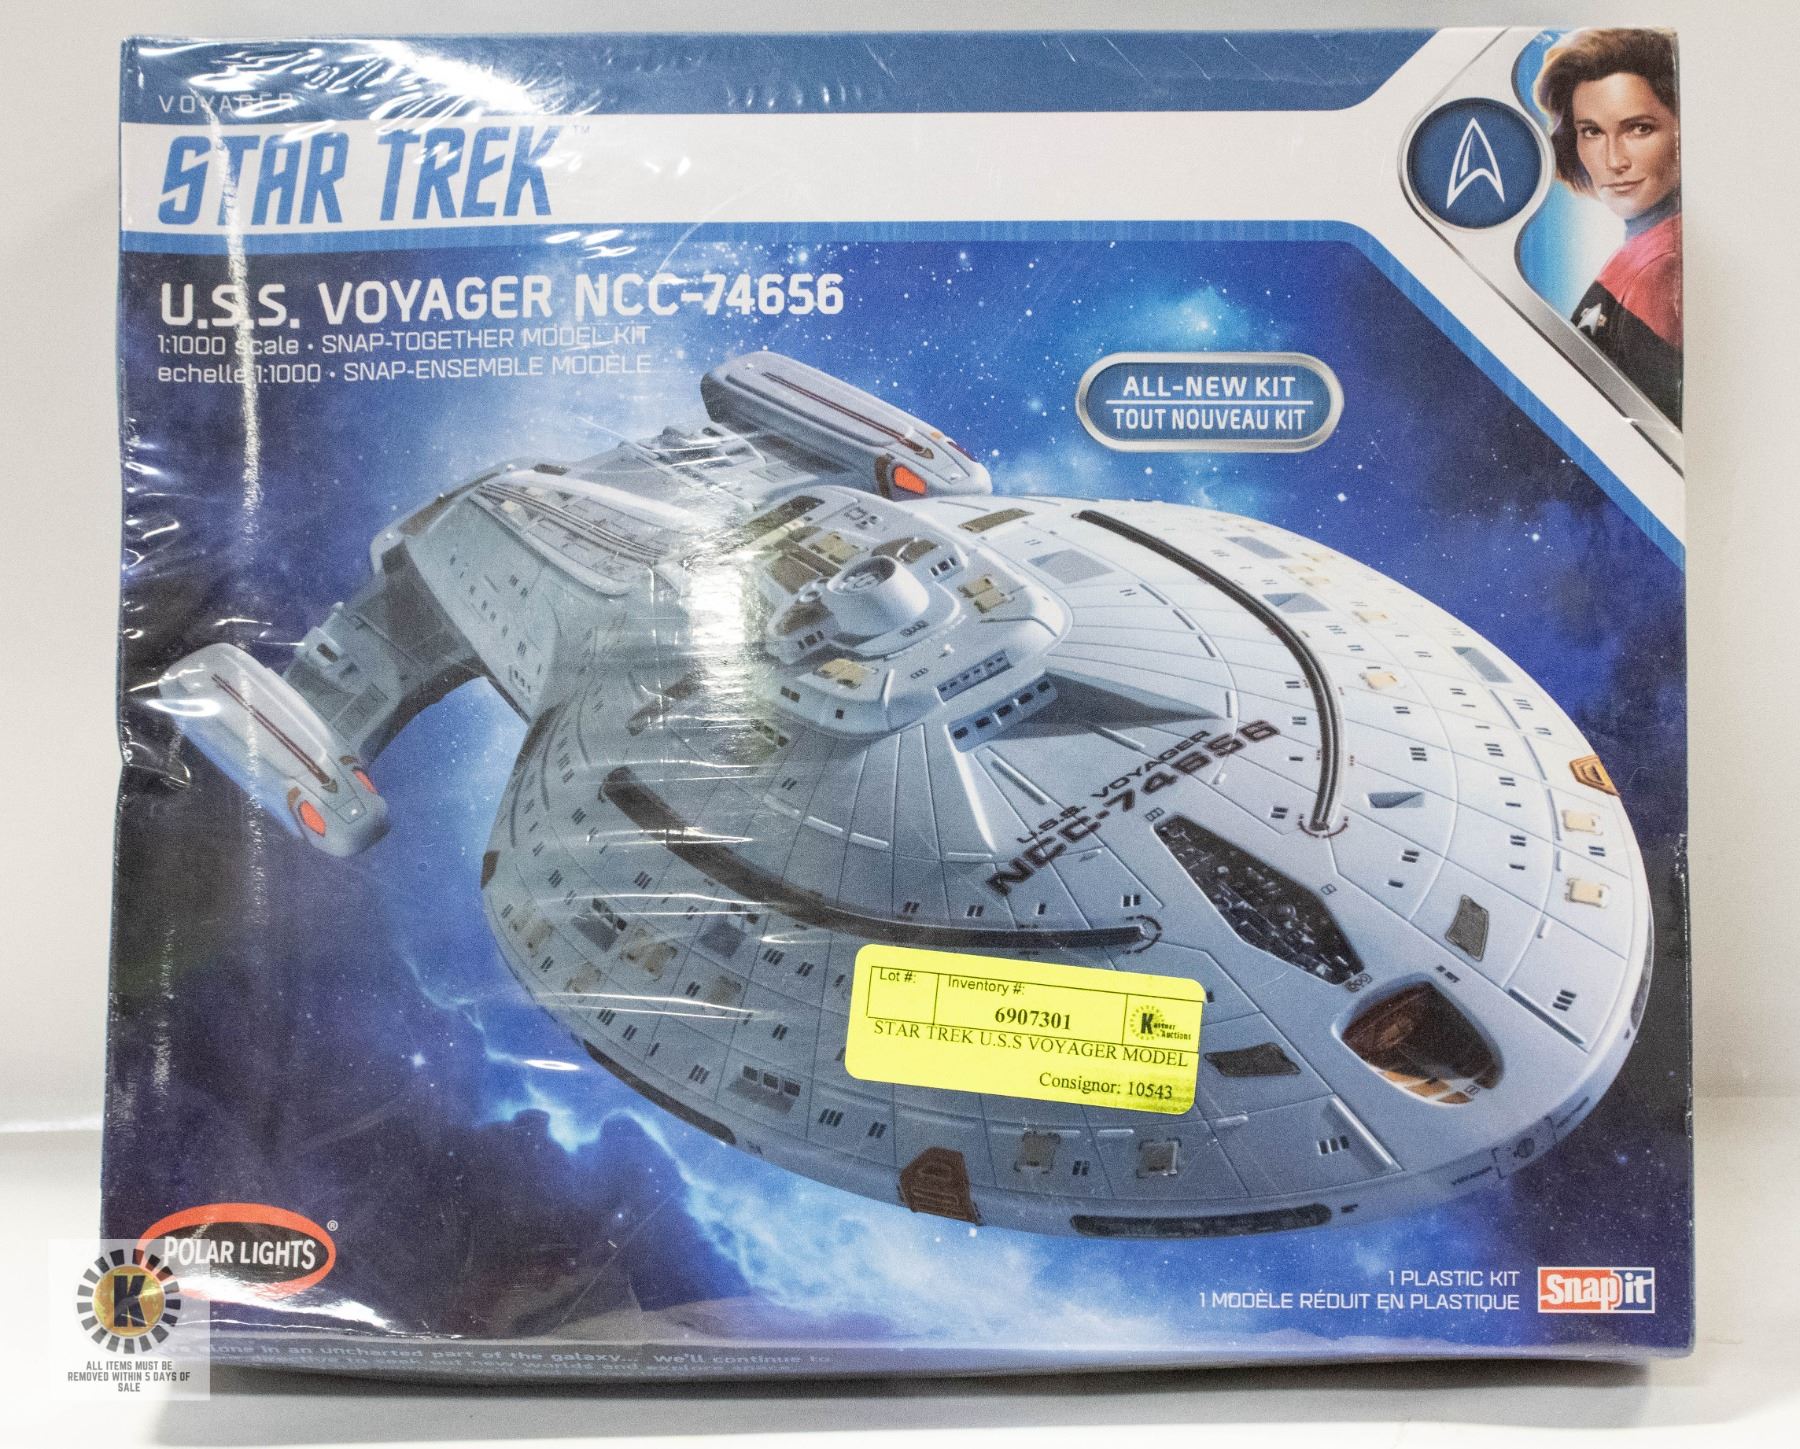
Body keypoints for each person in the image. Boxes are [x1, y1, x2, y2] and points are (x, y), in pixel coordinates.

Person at [1534, 28, 1682, 425]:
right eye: (1592, 131)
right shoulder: (1647, 249)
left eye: (1639, 128)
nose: (1614, 161)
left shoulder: (1661, 266)